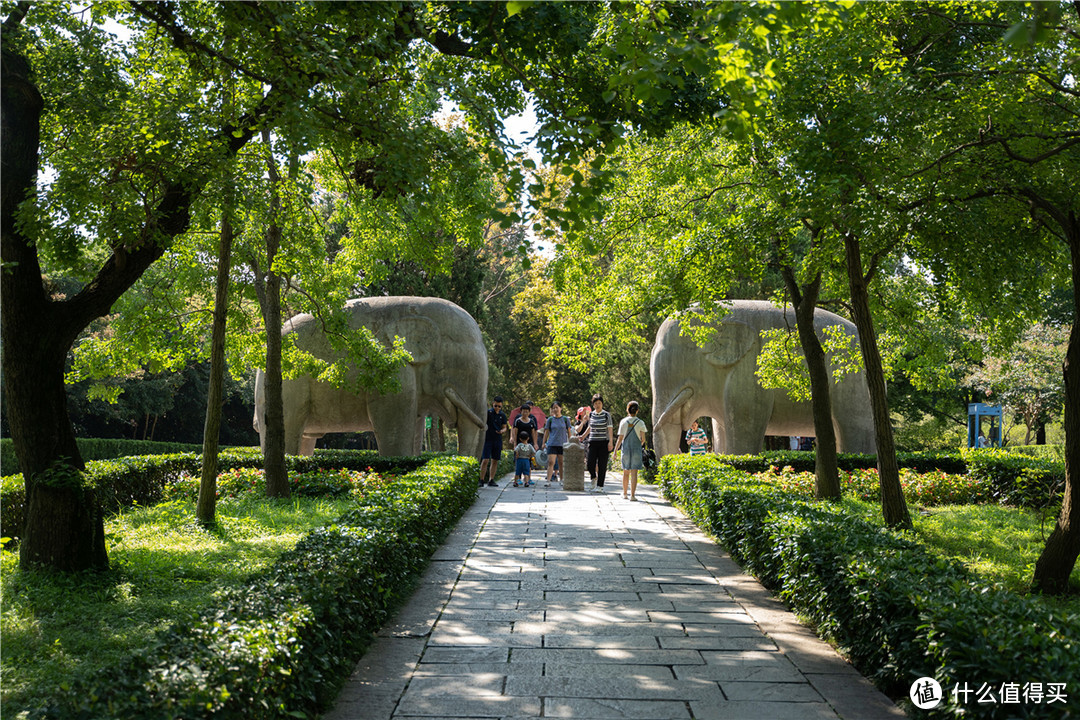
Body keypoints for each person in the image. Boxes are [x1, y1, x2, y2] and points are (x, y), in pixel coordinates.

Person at [578, 393, 614, 492]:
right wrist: (583, 436)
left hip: (603, 442)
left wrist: (610, 442)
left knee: (602, 465)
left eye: (599, 403)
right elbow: (590, 427)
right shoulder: (591, 414)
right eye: (596, 403)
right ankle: (593, 477)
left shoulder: (607, 415)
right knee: (590, 463)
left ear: (602, 404)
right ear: (593, 405)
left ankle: (600, 486)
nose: (597, 405)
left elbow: (610, 429)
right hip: (592, 442)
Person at [614, 400, 647, 501]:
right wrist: (639, 444)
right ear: (637, 411)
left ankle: (624, 494)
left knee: (626, 472)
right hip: (636, 449)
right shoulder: (640, 422)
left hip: (626, 449)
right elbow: (643, 439)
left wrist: (615, 451)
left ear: (627, 410)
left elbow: (620, 438)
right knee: (634, 473)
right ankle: (632, 495)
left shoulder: (623, 422)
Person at [541, 401, 573, 487]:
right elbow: (546, 432)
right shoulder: (550, 420)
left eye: (557, 407)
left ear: (561, 408)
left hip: (563, 444)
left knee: (561, 463)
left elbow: (569, 432)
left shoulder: (566, 420)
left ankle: (562, 479)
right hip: (552, 443)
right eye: (554, 408)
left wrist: (571, 443)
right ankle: (548, 480)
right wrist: (543, 443)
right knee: (551, 462)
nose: (555, 409)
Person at [480, 396, 508, 487]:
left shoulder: (502, 415)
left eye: (499, 406)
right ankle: (481, 479)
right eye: (496, 406)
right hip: (488, 439)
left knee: (495, 460)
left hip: (497, 439)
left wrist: (502, 431)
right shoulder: (488, 413)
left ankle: (491, 479)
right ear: (493, 404)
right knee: (485, 460)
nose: (497, 408)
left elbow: (505, 427)